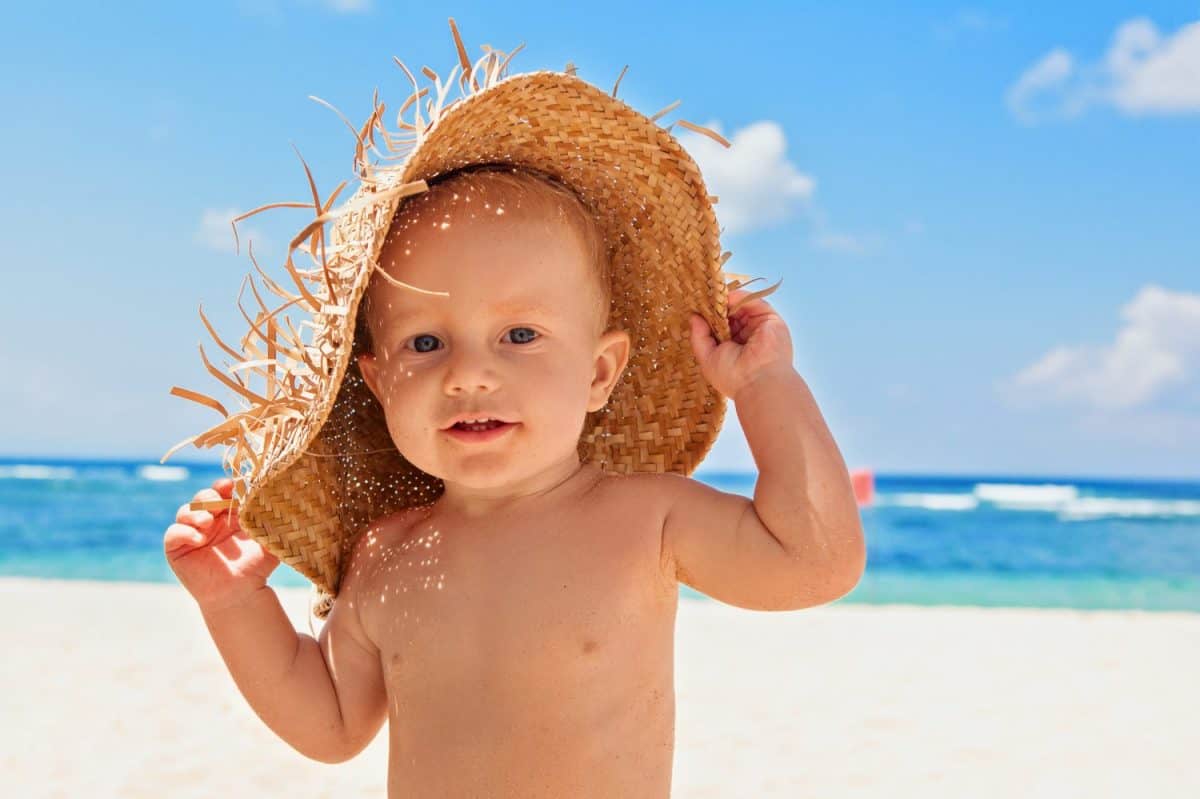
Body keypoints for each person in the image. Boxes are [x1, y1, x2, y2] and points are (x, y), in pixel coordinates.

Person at [163, 20, 864, 799]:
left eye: (520, 334)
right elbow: (330, 724)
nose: (470, 373)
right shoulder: (384, 556)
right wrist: (234, 603)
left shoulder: (646, 520)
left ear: (600, 372)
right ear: (377, 380)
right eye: (426, 342)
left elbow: (817, 562)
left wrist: (767, 387)